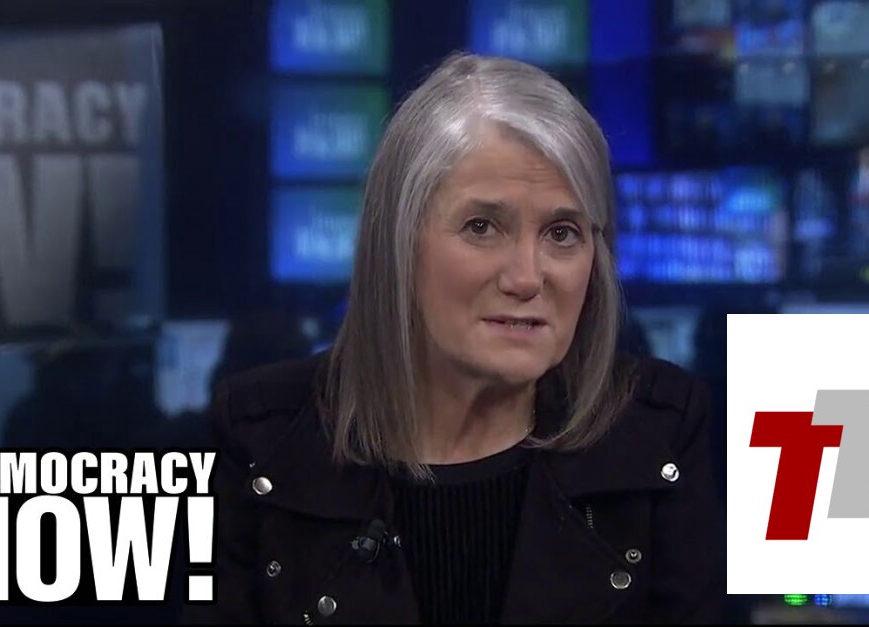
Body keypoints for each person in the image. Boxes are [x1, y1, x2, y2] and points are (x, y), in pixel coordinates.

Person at [185, 53, 724, 624]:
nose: (526, 277)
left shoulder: (658, 436)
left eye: (562, 233)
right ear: (398, 244)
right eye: (482, 227)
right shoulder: (259, 442)